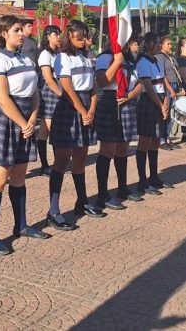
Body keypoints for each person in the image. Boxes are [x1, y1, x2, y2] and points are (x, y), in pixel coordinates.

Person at [0, 16, 48, 255]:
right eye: (16, 30)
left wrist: (32, 119)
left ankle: (21, 225)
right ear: (3, 34)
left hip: (25, 120)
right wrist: (23, 123)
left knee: (19, 177)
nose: (22, 34)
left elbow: (35, 92)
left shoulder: (26, 59)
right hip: (4, 121)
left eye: (22, 30)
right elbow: (2, 97)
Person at [47, 20, 104, 230]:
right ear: (69, 36)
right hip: (69, 110)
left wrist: (91, 110)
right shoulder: (62, 58)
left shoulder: (86, 58)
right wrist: (83, 111)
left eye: (84, 35)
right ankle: (53, 210)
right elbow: (68, 89)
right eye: (79, 36)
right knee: (61, 161)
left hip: (86, 108)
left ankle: (82, 202)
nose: (83, 39)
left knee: (80, 157)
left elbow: (93, 87)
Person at [93, 43, 142, 211]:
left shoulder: (130, 60)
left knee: (123, 148)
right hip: (110, 102)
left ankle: (122, 188)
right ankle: (102, 195)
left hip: (127, 102)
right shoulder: (105, 57)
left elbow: (140, 83)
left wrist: (130, 95)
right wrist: (116, 61)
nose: (127, 44)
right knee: (108, 149)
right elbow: (101, 81)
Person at [135, 33, 172, 195]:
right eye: (156, 43)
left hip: (159, 101)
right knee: (145, 141)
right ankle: (142, 181)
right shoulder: (142, 61)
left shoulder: (155, 60)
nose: (159, 46)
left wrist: (165, 102)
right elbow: (149, 88)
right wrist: (160, 104)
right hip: (148, 102)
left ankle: (154, 177)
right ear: (148, 44)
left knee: (156, 140)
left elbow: (162, 83)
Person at [36, 25, 62, 176]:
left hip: (59, 93)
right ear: (47, 36)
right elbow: (48, 79)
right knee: (52, 130)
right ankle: (46, 165)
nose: (58, 36)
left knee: (45, 131)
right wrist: (62, 94)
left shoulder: (58, 54)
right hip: (50, 94)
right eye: (55, 34)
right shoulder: (45, 55)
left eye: (59, 34)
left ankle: (50, 165)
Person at [156, 35, 181, 148]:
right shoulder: (160, 57)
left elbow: (177, 72)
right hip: (167, 86)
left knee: (171, 114)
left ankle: (167, 137)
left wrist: (180, 87)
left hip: (175, 84)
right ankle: (161, 139)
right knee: (165, 112)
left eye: (171, 44)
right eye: (168, 44)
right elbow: (162, 74)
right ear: (161, 45)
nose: (170, 46)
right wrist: (170, 89)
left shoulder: (171, 57)